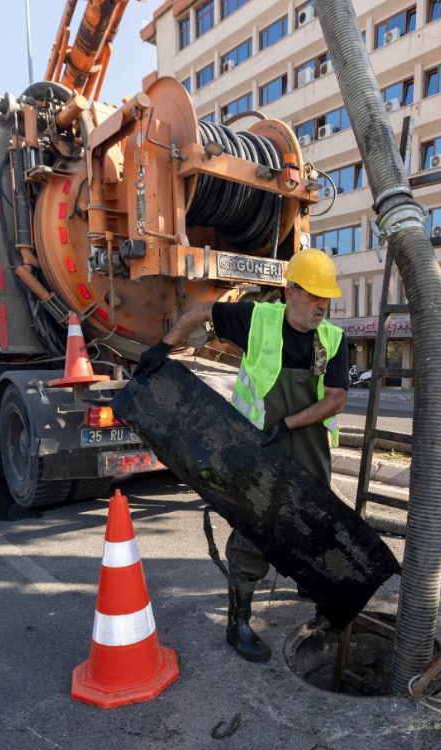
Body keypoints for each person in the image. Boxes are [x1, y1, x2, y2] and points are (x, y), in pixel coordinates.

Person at [135, 247, 350, 662]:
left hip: (308, 452)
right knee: (255, 531)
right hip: (257, 451)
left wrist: (286, 425)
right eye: (313, 296)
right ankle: (239, 622)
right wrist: (164, 348)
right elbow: (201, 310)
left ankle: (318, 598)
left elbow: (337, 400)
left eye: (327, 298)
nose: (321, 306)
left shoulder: (333, 340)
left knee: (314, 525)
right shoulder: (257, 320)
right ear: (290, 293)